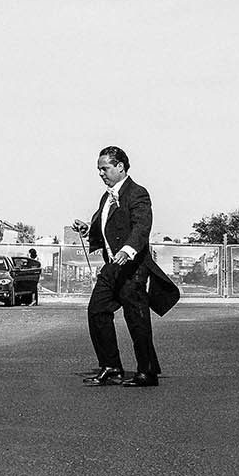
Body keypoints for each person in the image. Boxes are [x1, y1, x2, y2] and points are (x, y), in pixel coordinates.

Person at [84, 146, 178, 388]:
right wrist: (86, 229)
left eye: (105, 168)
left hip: (133, 267)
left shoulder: (137, 193)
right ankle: (111, 366)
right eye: (99, 170)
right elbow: (105, 228)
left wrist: (128, 250)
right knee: (96, 311)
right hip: (112, 267)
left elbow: (141, 226)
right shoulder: (106, 197)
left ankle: (147, 372)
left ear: (120, 166)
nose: (101, 174)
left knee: (136, 319)